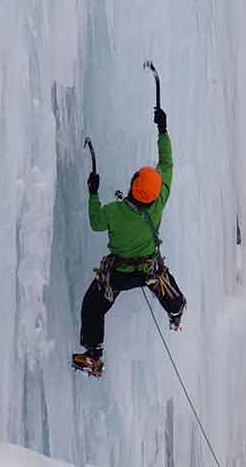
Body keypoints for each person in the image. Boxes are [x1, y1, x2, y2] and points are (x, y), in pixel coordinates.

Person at [72, 107, 187, 376]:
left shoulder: (113, 212)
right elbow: (167, 164)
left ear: (133, 184)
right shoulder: (158, 204)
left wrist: (93, 194)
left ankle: (93, 355)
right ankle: (176, 307)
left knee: (92, 306)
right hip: (147, 271)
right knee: (160, 279)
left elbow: (95, 223)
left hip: (120, 275)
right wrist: (163, 131)